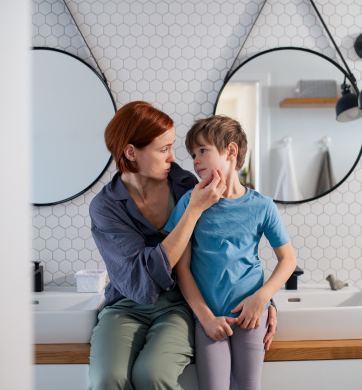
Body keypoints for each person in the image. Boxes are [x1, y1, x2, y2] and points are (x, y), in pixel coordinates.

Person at [88, 102, 278, 390]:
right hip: (127, 305)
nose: (174, 158)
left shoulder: (185, 184)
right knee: (107, 380)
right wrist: (192, 212)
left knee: (153, 375)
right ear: (131, 152)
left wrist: (264, 298)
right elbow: (140, 277)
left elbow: (222, 251)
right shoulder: (106, 206)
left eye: (173, 147)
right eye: (163, 149)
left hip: (178, 305)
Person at [164, 115, 297, 390]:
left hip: (251, 314)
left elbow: (288, 260)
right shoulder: (191, 202)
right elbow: (182, 268)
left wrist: (262, 299)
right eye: (192, 154)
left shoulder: (262, 206)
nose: (195, 160)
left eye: (203, 150)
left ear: (231, 151)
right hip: (210, 318)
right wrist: (205, 317)